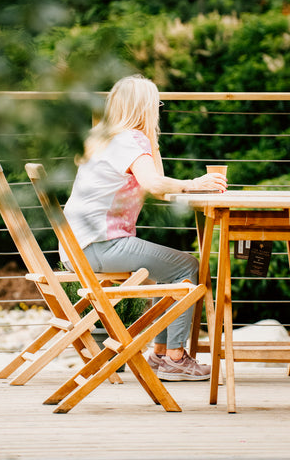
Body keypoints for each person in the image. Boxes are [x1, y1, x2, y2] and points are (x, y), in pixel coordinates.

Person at [59, 74, 227, 381]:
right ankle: (174, 357)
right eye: (155, 104)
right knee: (187, 266)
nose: (158, 110)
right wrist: (194, 183)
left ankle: (161, 355)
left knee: (166, 270)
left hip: (79, 248)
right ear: (144, 107)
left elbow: (157, 186)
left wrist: (151, 139)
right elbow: (153, 183)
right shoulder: (128, 140)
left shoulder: (103, 137)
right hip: (101, 246)